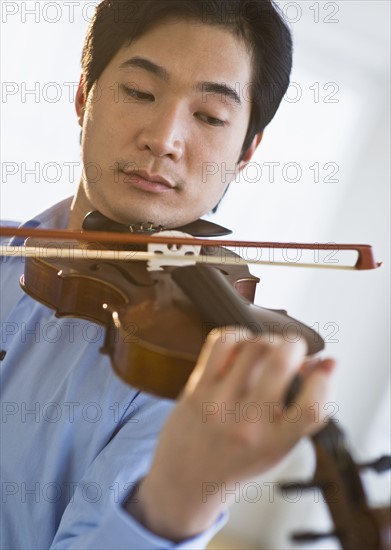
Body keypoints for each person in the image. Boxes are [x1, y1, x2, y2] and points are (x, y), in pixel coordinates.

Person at [0, 1, 335, 548]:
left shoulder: (197, 370)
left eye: (209, 116)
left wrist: (176, 505)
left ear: (247, 151)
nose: (165, 138)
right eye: (139, 92)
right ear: (84, 96)